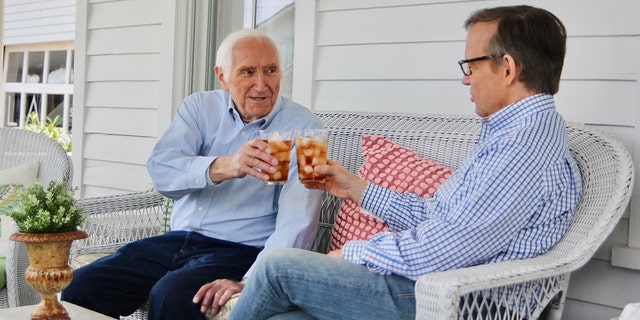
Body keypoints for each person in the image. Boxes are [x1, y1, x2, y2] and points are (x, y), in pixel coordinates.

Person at [227, 5, 582, 320]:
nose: (464, 77)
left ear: (507, 69)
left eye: (470, 65)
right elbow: (443, 216)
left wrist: (352, 253)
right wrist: (358, 190)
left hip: (462, 302)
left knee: (276, 268)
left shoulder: (523, 145)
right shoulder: (513, 131)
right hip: (434, 284)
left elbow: (449, 247)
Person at [61, 29, 324, 320]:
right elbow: (161, 169)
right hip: (175, 241)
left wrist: (250, 279)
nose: (261, 85)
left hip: (240, 251)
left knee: (172, 294)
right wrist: (224, 166)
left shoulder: (308, 130)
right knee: (81, 286)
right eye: (248, 72)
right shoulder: (198, 108)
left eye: (270, 70)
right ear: (222, 77)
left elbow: (301, 222)